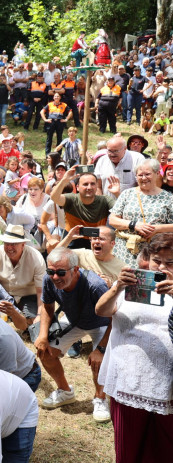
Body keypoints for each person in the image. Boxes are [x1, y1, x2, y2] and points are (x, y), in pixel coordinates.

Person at [95, 233, 173, 462]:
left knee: (166, 448)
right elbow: (101, 311)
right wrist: (117, 286)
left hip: (167, 385)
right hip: (129, 380)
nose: (162, 267)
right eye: (157, 260)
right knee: (129, 449)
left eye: (170, 263)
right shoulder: (132, 285)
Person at [36, 248, 111, 422]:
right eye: (51, 272)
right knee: (45, 352)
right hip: (73, 320)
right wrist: (43, 335)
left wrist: (100, 348)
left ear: (75, 269)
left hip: (101, 323)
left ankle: (100, 398)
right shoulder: (49, 280)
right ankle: (65, 391)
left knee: (100, 361)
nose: (55, 277)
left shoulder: (95, 285)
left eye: (61, 272)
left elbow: (114, 319)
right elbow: (47, 307)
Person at [108, 159, 173, 266]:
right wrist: (133, 225)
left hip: (154, 252)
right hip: (124, 250)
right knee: (125, 279)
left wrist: (156, 229)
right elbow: (113, 219)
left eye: (147, 174)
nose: (143, 178)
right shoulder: (127, 194)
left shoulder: (168, 198)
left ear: (157, 174)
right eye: (140, 175)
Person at [0, 224, 46, 329]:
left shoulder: (36, 257)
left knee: (36, 324)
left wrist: (39, 315)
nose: (9, 247)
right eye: (6, 243)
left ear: (23, 244)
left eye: (14, 244)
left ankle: (27, 322)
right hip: (2, 296)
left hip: (27, 297)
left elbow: (41, 291)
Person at [49, 166, 115, 249]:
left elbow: (119, 211)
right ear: (77, 187)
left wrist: (117, 194)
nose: (89, 187)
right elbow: (54, 197)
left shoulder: (105, 200)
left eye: (92, 184)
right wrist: (64, 180)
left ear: (96, 186)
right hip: (73, 239)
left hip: (96, 241)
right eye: (85, 184)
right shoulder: (71, 199)